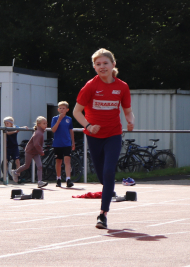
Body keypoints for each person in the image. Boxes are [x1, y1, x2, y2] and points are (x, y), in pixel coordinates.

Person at [73, 48, 134, 230]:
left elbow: (128, 111)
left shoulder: (122, 87)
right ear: (94, 67)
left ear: (113, 64)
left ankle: (103, 214)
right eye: (98, 64)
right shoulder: (90, 86)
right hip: (94, 136)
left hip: (114, 135)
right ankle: (109, 189)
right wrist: (89, 126)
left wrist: (130, 121)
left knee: (109, 173)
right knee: (102, 176)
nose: (102, 67)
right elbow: (77, 111)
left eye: (105, 63)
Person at [11, 117, 48, 188]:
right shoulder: (38, 133)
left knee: (39, 166)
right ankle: (15, 172)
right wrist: (41, 151)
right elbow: (36, 144)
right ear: (39, 124)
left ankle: (40, 181)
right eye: (44, 123)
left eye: (46, 123)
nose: (45, 125)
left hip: (35, 152)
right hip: (30, 151)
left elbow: (37, 145)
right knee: (26, 165)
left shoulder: (40, 132)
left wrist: (39, 151)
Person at [50, 101, 76, 188]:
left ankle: (68, 179)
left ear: (67, 110)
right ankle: (58, 178)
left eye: (63, 108)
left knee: (67, 161)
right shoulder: (54, 118)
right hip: (57, 143)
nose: (62, 110)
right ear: (58, 109)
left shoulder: (69, 119)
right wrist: (59, 120)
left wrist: (73, 142)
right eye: (60, 108)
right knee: (58, 161)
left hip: (67, 143)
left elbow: (71, 130)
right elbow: (53, 130)